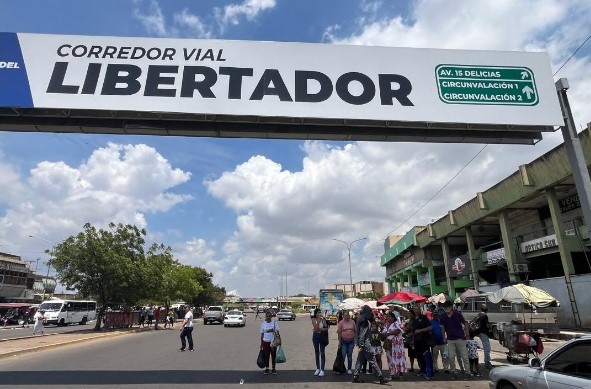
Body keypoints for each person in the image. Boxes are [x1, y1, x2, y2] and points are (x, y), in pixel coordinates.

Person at [352, 305, 387, 385]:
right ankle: (381, 377)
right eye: (370, 311)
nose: (371, 313)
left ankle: (355, 376)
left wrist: (360, 345)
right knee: (373, 360)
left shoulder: (360, 318)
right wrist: (361, 345)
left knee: (360, 360)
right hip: (365, 344)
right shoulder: (364, 320)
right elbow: (362, 334)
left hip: (362, 344)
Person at [439, 300, 470, 380]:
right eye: (444, 307)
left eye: (447, 307)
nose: (446, 309)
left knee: (464, 356)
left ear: (451, 307)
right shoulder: (443, 316)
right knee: (451, 357)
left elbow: (465, 323)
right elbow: (442, 327)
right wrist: (443, 336)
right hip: (450, 339)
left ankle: (468, 373)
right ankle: (453, 372)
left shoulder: (458, 314)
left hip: (460, 338)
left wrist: (467, 333)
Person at [410, 305, 432, 378]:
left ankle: (429, 372)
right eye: (415, 309)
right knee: (419, 357)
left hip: (424, 340)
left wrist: (420, 330)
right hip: (416, 341)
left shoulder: (424, 318)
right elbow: (413, 331)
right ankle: (422, 370)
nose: (416, 311)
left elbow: (430, 327)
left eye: (417, 309)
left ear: (420, 310)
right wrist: (412, 340)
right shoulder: (413, 320)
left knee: (426, 356)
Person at [383, 311, 406, 380]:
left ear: (393, 318)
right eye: (387, 316)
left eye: (389, 316)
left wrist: (388, 334)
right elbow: (383, 333)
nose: (388, 318)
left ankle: (401, 374)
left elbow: (398, 331)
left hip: (397, 345)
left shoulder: (397, 323)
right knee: (390, 359)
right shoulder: (386, 324)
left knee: (399, 359)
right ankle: (392, 374)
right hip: (389, 344)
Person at [471, 304, 493, 369]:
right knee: (487, 348)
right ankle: (487, 362)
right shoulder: (485, 316)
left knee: (486, 347)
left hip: (478, 332)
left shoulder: (478, 314)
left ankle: (486, 362)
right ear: (487, 310)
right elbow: (486, 325)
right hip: (484, 333)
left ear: (481, 309)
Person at [337, 310, 356, 374]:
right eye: (345, 315)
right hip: (343, 341)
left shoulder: (352, 322)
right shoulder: (341, 323)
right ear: (343, 316)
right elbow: (339, 333)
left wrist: (355, 341)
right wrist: (339, 342)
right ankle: (342, 369)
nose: (346, 316)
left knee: (349, 356)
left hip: (351, 341)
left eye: (347, 315)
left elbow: (355, 331)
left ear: (349, 316)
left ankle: (349, 368)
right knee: (343, 355)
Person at [260, 310, 279, 375]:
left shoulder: (274, 323)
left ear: (271, 317)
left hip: (273, 343)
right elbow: (262, 334)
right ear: (265, 316)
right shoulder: (263, 324)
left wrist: (279, 340)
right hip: (265, 342)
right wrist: (261, 343)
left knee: (273, 356)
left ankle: (273, 368)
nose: (268, 317)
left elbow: (277, 333)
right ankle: (267, 368)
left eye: (269, 316)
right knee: (266, 356)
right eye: (267, 316)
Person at [311, 308, 329, 377]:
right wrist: (318, 321)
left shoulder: (323, 320)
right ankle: (318, 368)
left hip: (322, 336)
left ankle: (322, 369)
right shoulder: (313, 320)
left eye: (320, 312)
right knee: (316, 352)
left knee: (322, 352)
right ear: (315, 313)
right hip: (315, 337)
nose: (319, 314)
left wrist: (319, 329)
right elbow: (316, 328)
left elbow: (326, 328)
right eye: (318, 312)